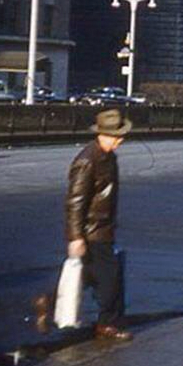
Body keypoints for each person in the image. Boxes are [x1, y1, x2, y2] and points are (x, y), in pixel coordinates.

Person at [34, 108, 133, 341]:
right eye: (116, 136)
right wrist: (76, 236)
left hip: (103, 229)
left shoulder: (108, 157)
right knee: (110, 279)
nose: (120, 140)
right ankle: (107, 324)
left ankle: (46, 302)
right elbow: (75, 202)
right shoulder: (88, 161)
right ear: (102, 134)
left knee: (87, 277)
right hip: (93, 232)